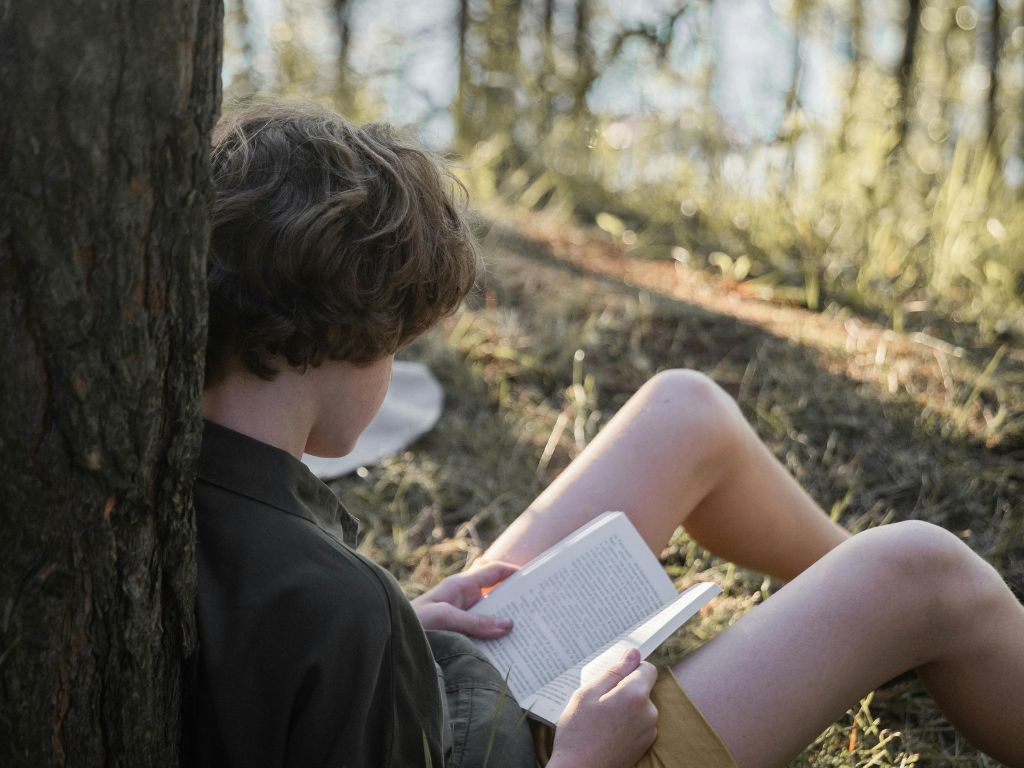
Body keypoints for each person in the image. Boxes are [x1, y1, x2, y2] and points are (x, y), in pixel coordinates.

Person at [191, 100, 1024, 768]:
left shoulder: (187, 492)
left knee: (684, 412)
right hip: (546, 749)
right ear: (345, 338)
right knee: (925, 565)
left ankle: (885, 636)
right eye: (398, 351)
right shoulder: (339, 609)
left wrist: (407, 628)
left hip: (446, 698)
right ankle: (917, 622)